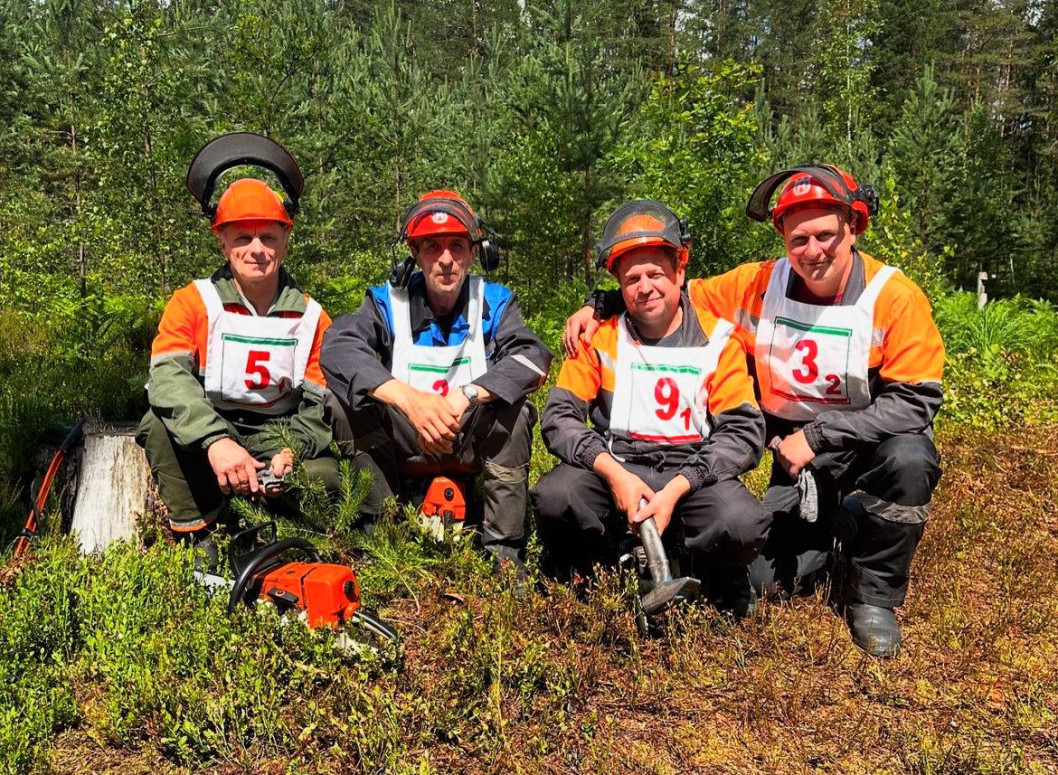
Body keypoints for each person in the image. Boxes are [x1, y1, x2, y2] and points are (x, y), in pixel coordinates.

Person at [564, 167, 944, 656]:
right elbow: (668, 292)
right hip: (794, 454)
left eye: (826, 235)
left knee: (911, 459)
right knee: (767, 581)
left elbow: (916, 400)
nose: (813, 251)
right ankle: (845, 525)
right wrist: (600, 303)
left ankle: (874, 599)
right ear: (782, 236)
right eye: (799, 238)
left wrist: (822, 435)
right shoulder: (755, 284)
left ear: (854, 227)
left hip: (871, 443)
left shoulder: (895, 297)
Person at [532, 201, 767, 614]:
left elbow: (743, 434)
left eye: (656, 273)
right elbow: (559, 418)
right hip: (617, 469)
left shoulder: (720, 340)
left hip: (692, 477)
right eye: (633, 278)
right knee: (556, 495)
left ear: (680, 272)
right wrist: (614, 473)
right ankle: (599, 562)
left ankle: (706, 568)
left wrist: (680, 486)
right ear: (619, 286)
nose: (645, 287)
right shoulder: (598, 336)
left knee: (741, 521)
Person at [321, 190, 552, 569]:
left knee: (517, 411)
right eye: (432, 247)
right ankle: (378, 531)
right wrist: (412, 402)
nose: (446, 259)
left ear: (474, 252)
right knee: (342, 403)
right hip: (406, 436)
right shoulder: (386, 303)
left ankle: (504, 551)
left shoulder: (493, 301)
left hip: (468, 435)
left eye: (457, 246)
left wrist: (465, 397)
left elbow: (532, 357)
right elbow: (338, 348)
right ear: (415, 253)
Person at [137, 133, 339, 550]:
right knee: (157, 426)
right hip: (212, 428)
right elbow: (167, 381)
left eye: (268, 236)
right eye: (243, 237)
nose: (256, 249)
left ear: (285, 240)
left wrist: (291, 452)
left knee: (329, 478)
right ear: (222, 240)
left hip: (277, 433)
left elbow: (321, 407)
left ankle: (279, 530)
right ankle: (200, 532)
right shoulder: (193, 302)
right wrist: (216, 442)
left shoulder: (313, 318)